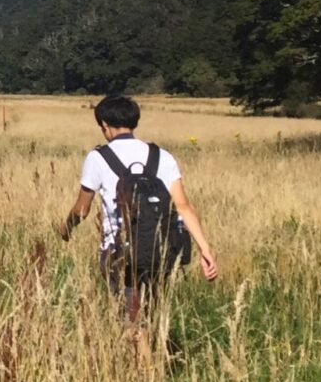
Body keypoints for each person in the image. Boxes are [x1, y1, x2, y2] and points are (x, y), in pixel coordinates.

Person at [58, 94, 218, 319]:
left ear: (105, 125)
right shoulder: (162, 156)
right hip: (159, 251)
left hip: (119, 251)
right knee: (151, 313)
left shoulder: (98, 157)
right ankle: (154, 349)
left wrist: (66, 229)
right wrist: (205, 249)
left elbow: (82, 210)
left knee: (131, 320)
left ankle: (144, 353)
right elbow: (184, 207)